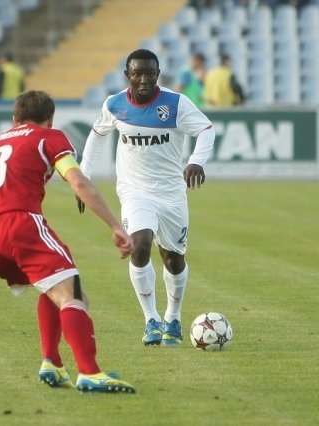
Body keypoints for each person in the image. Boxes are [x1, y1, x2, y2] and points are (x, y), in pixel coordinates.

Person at [0, 90, 135, 394]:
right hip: (20, 225)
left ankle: (52, 363)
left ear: (14, 118)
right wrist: (115, 225)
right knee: (74, 297)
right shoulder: (49, 137)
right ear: (50, 119)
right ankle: (90, 372)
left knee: (53, 286)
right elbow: (78, 182)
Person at [77, 49, 216, 347]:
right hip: (134, 190)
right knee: (139, 246)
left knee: (173, 259)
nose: (143, 79)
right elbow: (97, 136)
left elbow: (206, 130)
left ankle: (173, 318)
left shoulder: (176, 103)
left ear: (158, 74)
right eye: (137, 73)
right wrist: (83, 177)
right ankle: (151, 319)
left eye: (150, 73)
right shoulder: (114, 104)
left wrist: (196, 161)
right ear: (127, 75)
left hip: (171, 192)